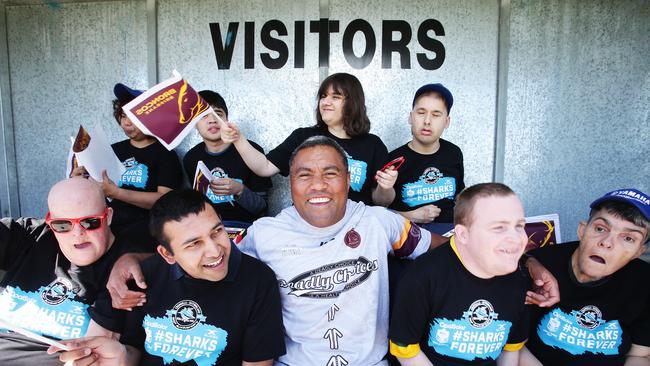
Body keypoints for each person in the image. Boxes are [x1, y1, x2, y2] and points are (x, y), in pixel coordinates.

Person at [105, 138, 558, 365]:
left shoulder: (381, 224)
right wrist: (129, 260)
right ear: (290, 183)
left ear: (348, 179)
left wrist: (530, 260)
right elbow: (198, 251)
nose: (318, 185)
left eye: (330, 173)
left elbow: (459, 247)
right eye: (304, 175)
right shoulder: (263, 235)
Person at [51, 189, 286, 365]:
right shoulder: (145, 275)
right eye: (194, 244)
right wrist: (121, 358)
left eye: (217, 231)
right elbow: (136, 350)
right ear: (167, 254)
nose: (215, 251)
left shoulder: (257, 281)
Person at [389, 183, 531, 365]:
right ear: (463, 234)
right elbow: (405, 349)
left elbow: (510, 349)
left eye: (519, 226)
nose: (516, 238)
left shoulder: (517, 279)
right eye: (499, 228)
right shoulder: (424, 276)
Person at [0, 178, 133, 365]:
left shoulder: (125, 269)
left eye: (90, 222)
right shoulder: (31, 237)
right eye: (63, 225)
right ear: (50, 222)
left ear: (108, 216)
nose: (77, 233)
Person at [221, 72, 396, 206]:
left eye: (335, 97)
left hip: (354, 228)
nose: (325, 102)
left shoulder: (373, 145)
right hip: (307, 224)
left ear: (353, 103)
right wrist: (238, 138)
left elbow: (381, 201)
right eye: (323, 96)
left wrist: (386, 187)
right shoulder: (304, 137)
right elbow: (264, 168)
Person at [520, 188, 650, 366]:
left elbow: (639, 356)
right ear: (582, 230)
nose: (606, 243)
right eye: (600, 228)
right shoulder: (542, 266)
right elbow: (513, 342)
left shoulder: (644, 283)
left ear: (639, 251)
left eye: (628, 238)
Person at [102, 83, 183, 243]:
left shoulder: (165, 154)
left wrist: (118, 193)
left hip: (147, 234)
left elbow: (164, 200)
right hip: (110, 230)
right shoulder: (112, 150)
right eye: (123, 115)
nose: (126, 123)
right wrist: (79, 178)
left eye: (134, 116)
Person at [183, 90, 271, 225]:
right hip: (208, 229)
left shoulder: (251, 151)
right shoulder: (191, 158)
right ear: (194, 124)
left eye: (218, 114)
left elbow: (262, 208)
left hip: (248, 228)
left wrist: (239, 190)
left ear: (226, 119)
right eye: (203, 116)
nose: (212, 120)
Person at [385, 83, 464, 226]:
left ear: (447, 122)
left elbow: (459, 196)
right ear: (410, 117)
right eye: (421, 113)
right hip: (407, 237)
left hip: (449, 234)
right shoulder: (394, 160)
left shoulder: (454, 153)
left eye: (436, 115)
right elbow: (378, 210)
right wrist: (410, 216)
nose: (427, 121)